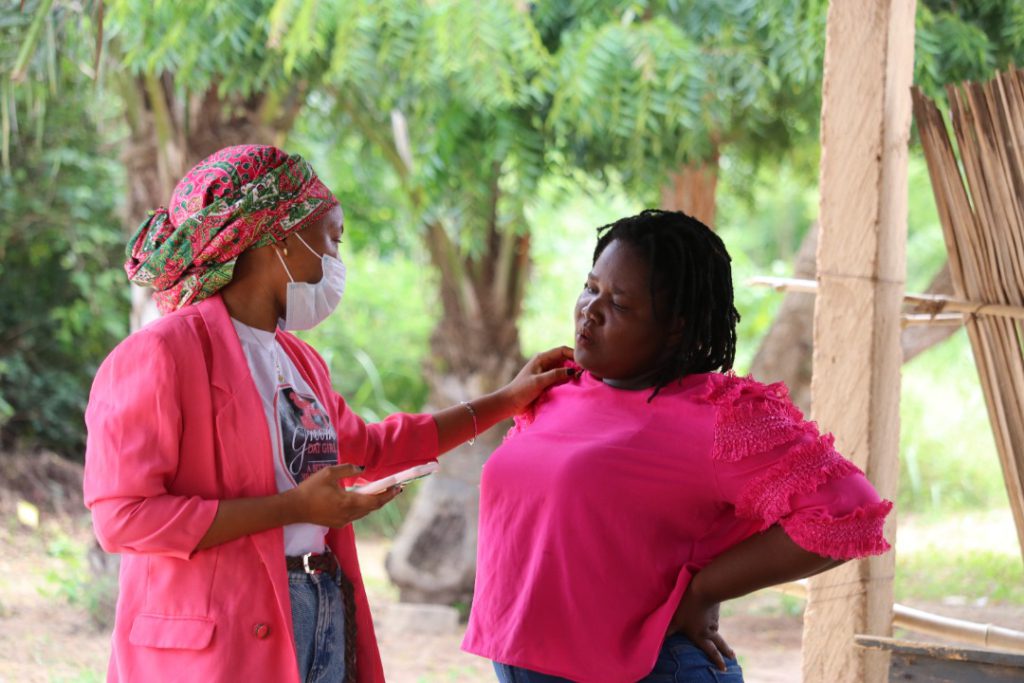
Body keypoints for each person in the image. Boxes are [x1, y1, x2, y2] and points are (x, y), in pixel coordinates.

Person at [83, 144, 574, 683]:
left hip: (320, 606)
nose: (337, 260)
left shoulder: (299, 360)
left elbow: (373, 449)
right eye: (332, 239)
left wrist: (506, 399)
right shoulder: (161, 354)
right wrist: (290, 508)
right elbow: (123, 517)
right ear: (279, 237)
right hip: (217, 640)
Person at [461, 209, 893, 683]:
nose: (591, 310)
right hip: (525, 664)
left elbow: (849, 511)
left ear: (675, 326)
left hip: (650, 670)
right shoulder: (555, 388)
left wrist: (704, 589)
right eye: (590, 288)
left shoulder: (717, 415)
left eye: (620, 306)